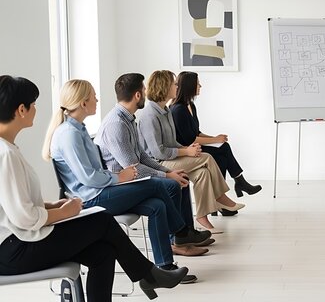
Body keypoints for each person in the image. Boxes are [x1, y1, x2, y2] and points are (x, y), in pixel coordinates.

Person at [0, 75, 187, 301]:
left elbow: (13, 206)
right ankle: (150, 273)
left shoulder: (8, 150)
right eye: (34, 105)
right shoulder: (6, 154)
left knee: (103, 252)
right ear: (21, 109)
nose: (36, 110)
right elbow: (25, 218)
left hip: (19, 240)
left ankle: (150, 273)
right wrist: (63, 212)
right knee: (103, 220)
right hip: (14, 249)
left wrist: (50, 205)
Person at [44, 79, 209, 284]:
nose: (97, 98)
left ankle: (164, 266)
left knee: (157, 205)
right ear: (82, 103)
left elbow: (132, 159)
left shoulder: (79, 129)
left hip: (102, 189)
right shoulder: (70, 134)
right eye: (93, 96)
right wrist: (119, 177)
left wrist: (158, 172)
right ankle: (181, 232)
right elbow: (89, 177)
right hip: (90, 198)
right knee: (158, 185)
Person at [94, 73, 212, 255]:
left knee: (178, 181)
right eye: (144, 88)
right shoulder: (116, 124)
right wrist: (166, 175)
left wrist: (168, 171)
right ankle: (180, 235)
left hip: (132, 178)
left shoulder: (128, 119)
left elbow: (142, 156)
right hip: (122, 183)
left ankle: (178, 244)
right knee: (172, 185)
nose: (147, 91)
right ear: (138, 95)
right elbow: (133, 168)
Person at [139, 70, 243, 232]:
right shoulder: (150, 115)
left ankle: (202, 217)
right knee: (207, 157)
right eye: (174, 84)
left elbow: (172, 142)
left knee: (203, 173)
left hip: (170, 158)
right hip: (158, 164)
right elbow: (158, 153)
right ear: (164, 87)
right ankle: (220, 197)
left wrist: (187, 149)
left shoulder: (165, 111)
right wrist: (186, 152)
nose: (177, 86)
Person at [170, 71, 262, 206]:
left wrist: (216, 138)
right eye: (197, 84)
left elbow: (197, 132)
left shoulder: (190, 105)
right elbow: (190, 139)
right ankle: (237, 184)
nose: (200, 86)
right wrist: (215, 140)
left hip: (196, 146)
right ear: (189, 86)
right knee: (223, 149)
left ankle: (222, 199)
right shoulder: (178, 110)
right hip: (188, 150)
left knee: (222, 156)